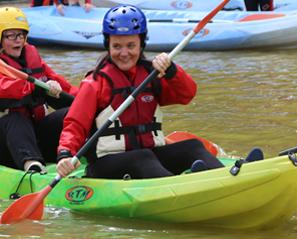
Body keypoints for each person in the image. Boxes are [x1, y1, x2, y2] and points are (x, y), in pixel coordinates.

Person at [56, 4, 226, 179]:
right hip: (106, 164)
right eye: (117, 46)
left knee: (192, 146)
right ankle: (176, 186)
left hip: (149, 156)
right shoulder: (95, 82)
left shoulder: (152, 75)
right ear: (108, 45)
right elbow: (75, 124)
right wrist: (65, 154)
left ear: (141, 44)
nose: (124, 53)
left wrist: (172, 71)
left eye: (131, 45)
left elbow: (187, 95)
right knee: (143, 157)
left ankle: (227, 177)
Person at [0, 7, 78, 173]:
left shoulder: (33, 59)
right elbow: (5, 88)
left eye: (21, 34)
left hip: (33, 137)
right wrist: (34, 88)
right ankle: (32, 166)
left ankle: (74, 156)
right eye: (11, 35)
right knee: (16, 119)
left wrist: (89, 98)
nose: (18, 40)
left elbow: (65, 87)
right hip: (6, 144)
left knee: (72, 113)